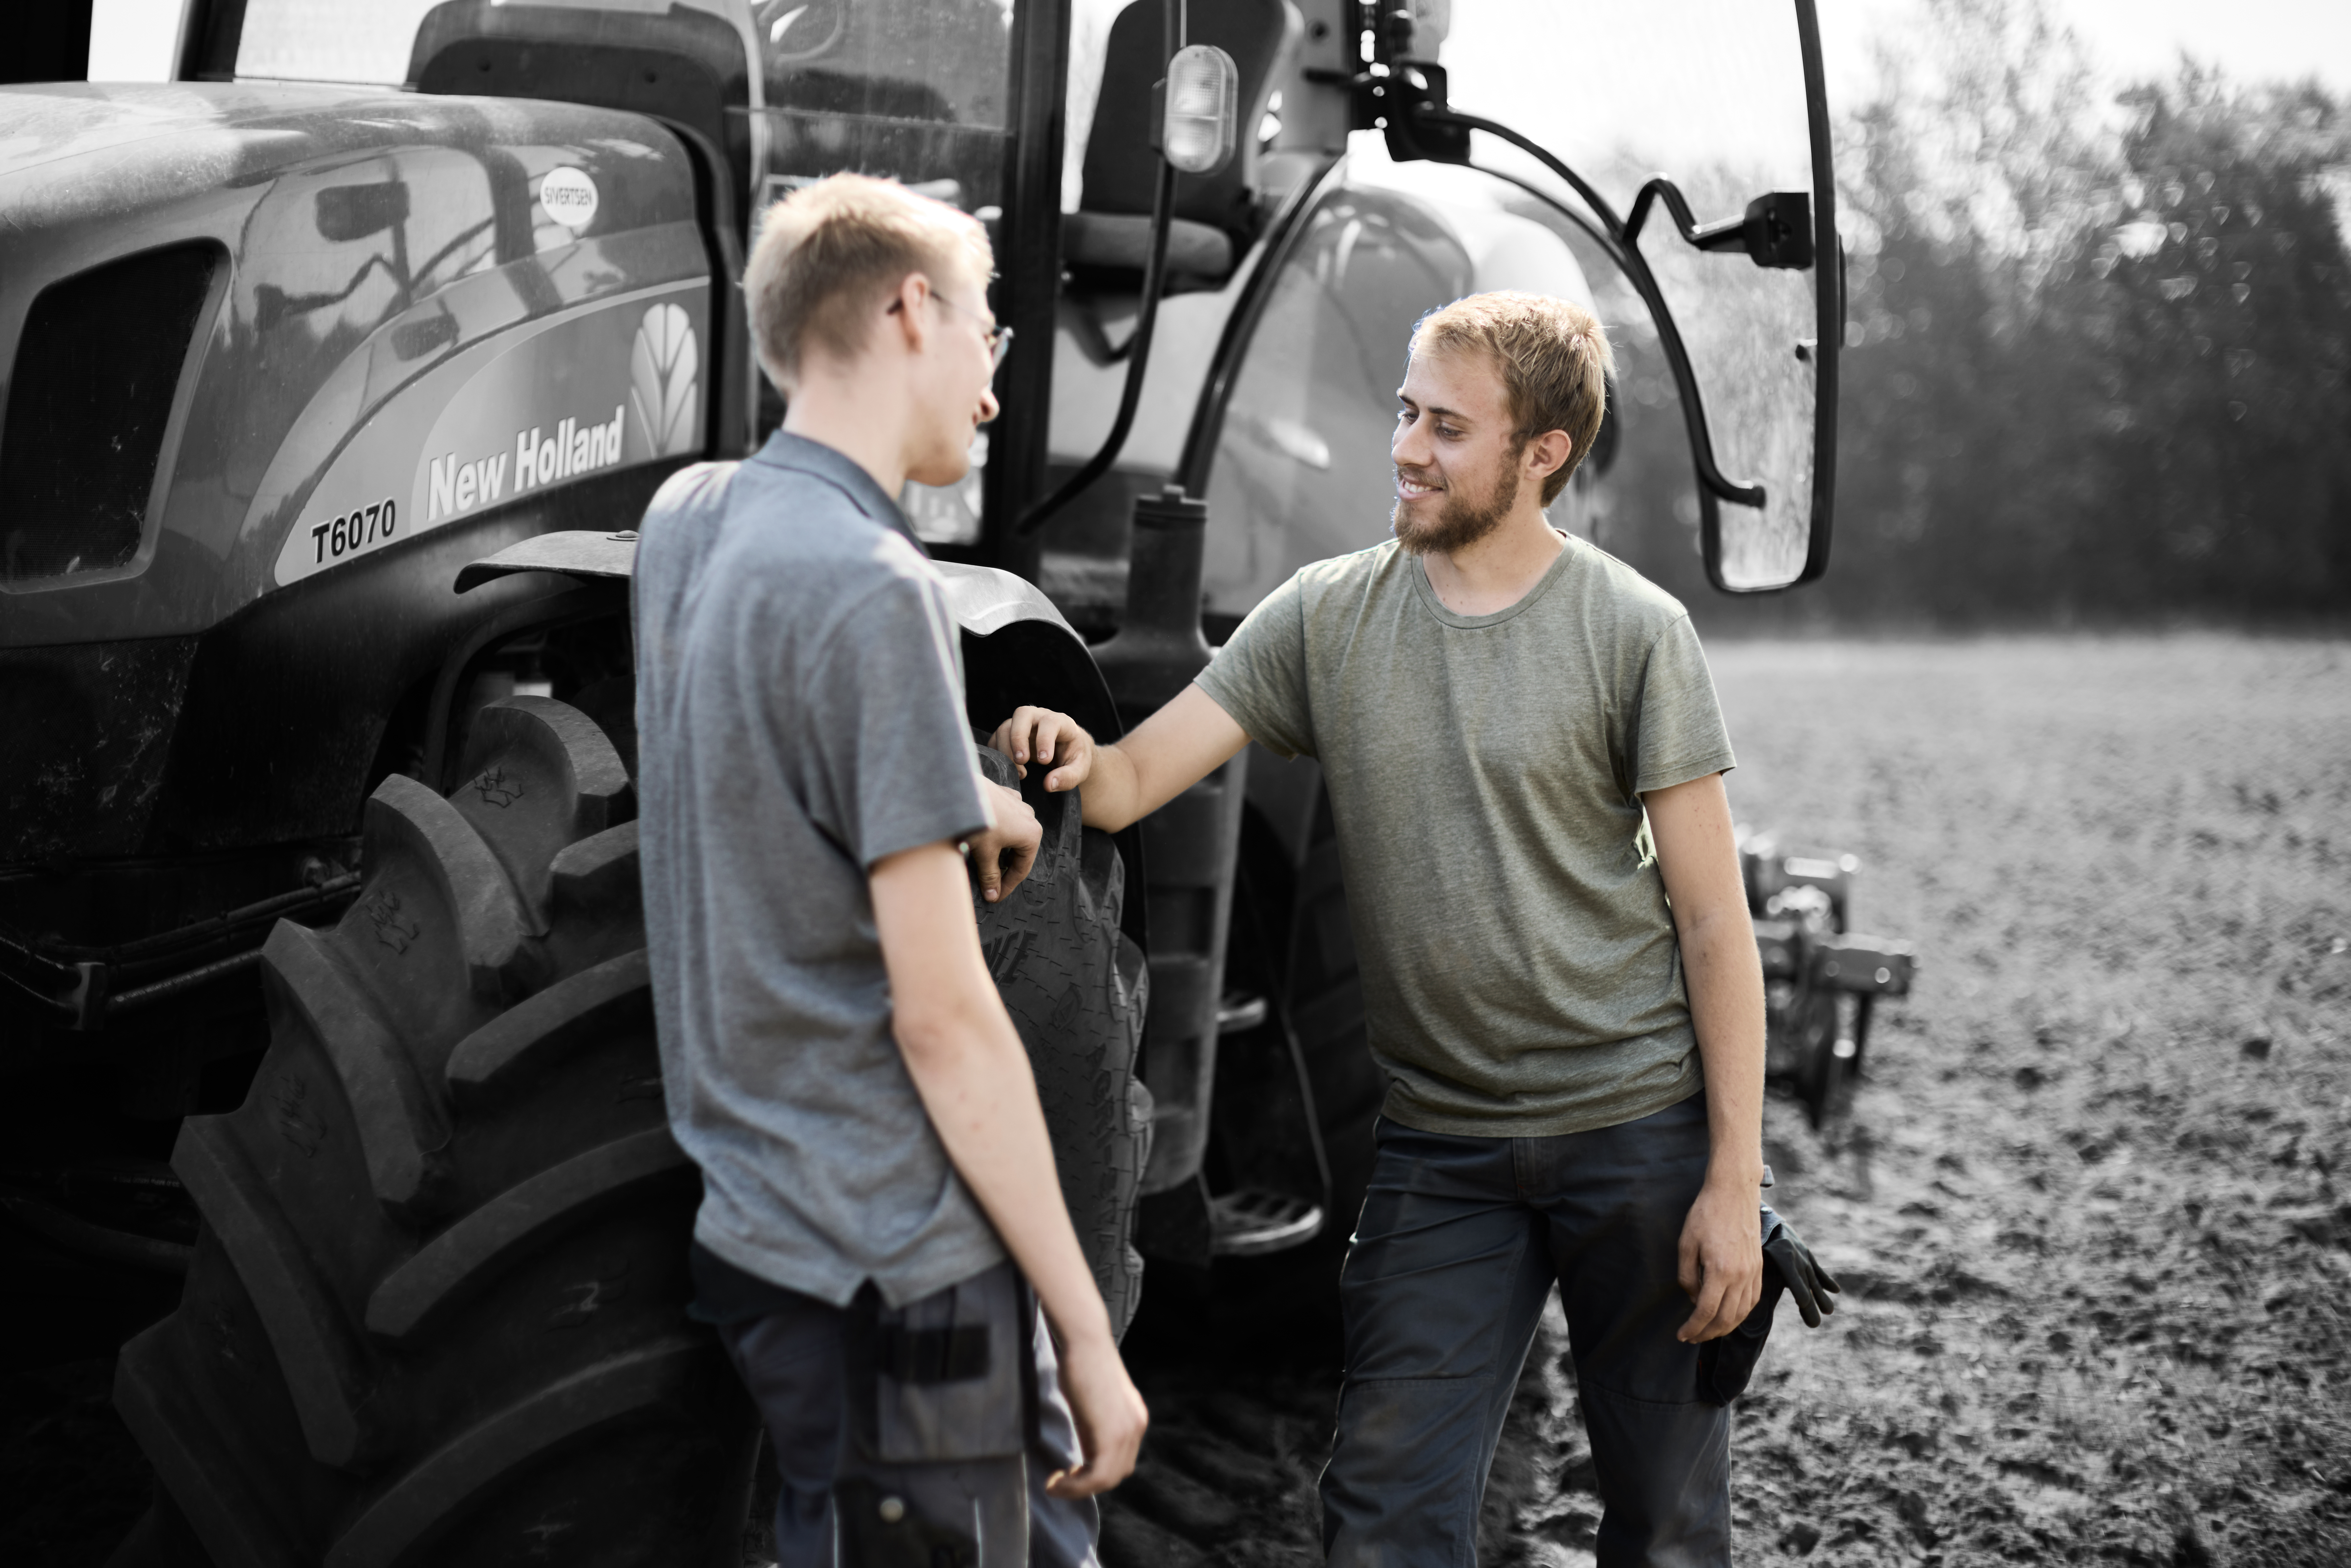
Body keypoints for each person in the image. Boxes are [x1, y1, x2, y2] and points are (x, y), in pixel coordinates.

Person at [992, 291, 1768, 1566]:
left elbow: (1709, 924)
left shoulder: (1635, 635)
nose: (1404, 446)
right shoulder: (1325, 615)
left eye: (1446, 426)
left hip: (1633, 1134)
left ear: (1541, 456)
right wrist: (1066, 746)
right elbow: (1131, 781)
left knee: (1665, 1524)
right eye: (1405, 411)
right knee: (1379, 1523)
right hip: (1441, 1155)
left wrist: (1731, 1184)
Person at [633, 173, 1147, 1568]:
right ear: (910, 310)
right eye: (988, 329)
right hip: (901, 1275)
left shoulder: (687, 522)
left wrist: (952, 789)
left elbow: (753, 778)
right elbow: (942, 1017)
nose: (991, 386)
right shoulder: (876, 587)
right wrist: (1086, 1332)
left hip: (762, 1238)